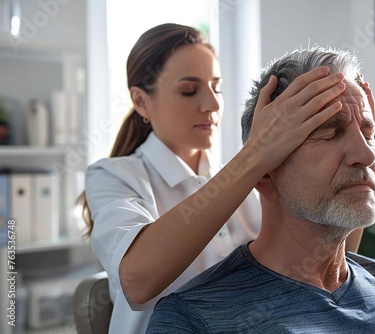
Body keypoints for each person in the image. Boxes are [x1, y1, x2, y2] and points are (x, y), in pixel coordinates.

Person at [80, 23, 356, 333]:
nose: (212, 104)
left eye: (217, 87)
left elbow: (333, 255)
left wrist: (356, 139)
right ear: (142, 101)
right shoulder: (114, 176)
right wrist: (256, 155)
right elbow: (136, 279)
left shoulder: (250, 179)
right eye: (189, 90)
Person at [146, 47, 375, 333]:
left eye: (368, 133)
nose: (366, 155)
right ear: (264, 173)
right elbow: (136, 276)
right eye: (328, 133)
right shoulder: (193, 319)